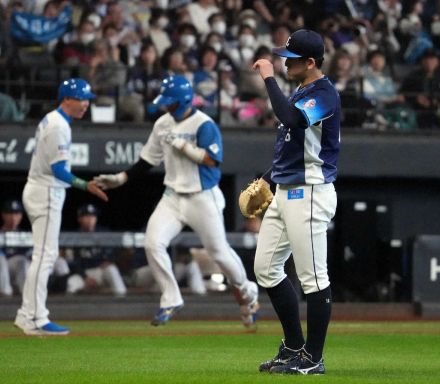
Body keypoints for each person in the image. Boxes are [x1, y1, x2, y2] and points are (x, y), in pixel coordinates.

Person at [94, 74, 259, 327]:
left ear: (182, 101)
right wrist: (121, 178)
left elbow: (212, 160)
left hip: (201, 196)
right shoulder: (162, 123)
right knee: (152, 243)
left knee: (219, 253)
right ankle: (171, 298)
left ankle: (248, 292)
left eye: (169, 101)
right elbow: (148, 159)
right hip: (172, 196)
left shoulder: (204, 124)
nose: (165, 105)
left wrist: (183, 145)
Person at [252, 29, 340, 375]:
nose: (284, 62)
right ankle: (292, 347)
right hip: (285, 191)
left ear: (311, 62)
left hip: (311, 192)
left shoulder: (325, 94)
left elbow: (290, 118)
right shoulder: (303, 90)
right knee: (266, 269)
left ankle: (313, 358)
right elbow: (291, 148)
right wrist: (267, 178)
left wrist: (269, 79)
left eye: (291, 58)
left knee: (314, 278)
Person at [14, 78, 108, 336]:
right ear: (66, 99)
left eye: (88, 99)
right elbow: (59, 170)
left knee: (45, 255)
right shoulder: (58, 126)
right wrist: (85, 185)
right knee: (44, 256)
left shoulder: (54, 120)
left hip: (41, 189)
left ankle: (28, 314)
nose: (86, 104)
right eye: (81, 98)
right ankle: (34, 317)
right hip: (45, 191)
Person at [65, 204, 127, 297]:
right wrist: (85, 277)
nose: (90, 219)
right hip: (83, 274)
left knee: (112, 269)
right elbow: (72, 262)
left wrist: (110, 260)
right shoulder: (74, 237)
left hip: (100, 271)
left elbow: (116, 251)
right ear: (80, 219)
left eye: (93, 216)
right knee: (71, 284)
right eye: (87, 216)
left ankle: (123, 303)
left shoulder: (104, 233)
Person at [0, 199, 30, 296]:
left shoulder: (26, 236)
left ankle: (26, 295)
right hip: (1, 270)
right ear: (3, 215)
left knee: (21, 260)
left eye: (16, 214)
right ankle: (5, 294)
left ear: (21, 216)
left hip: (17, 271)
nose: (13, 217)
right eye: (9, 213)